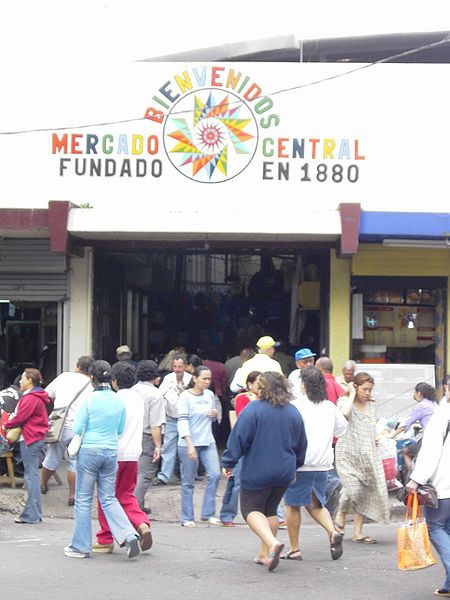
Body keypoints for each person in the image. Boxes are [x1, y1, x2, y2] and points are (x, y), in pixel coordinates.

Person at [222, 372, 307, 572]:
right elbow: (302, 443)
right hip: (285, 470)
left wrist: (229, 461)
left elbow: (239, 438)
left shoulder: (254, 410)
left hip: (259, 469)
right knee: (270, 509)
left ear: (263, 388)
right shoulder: (293, 411)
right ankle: (263, 554)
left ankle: (272, 543)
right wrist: (296, 465)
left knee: (250, 509)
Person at [64, 360, 141, 560]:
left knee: (83, 499)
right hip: (110, 452)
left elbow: (77, 428)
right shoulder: (118, 400)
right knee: (108, 498)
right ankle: (129, 534)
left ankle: (80, 546)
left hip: (90, 452)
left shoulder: (89, 400)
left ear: (92, 378)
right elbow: (120, 429)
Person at [282, 366, 348, 561]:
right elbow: (342, 431)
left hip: (300, 464)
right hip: (323, 464)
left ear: (302, 385)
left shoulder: (295, 406)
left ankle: (294, 549)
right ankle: (333, 531)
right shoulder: (330, 407)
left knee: (293, 506)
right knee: (316, 504)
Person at [93, 361, 152, 554]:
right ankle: (141, 522)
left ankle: (105, 537)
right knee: (126, 494)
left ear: (114, 380)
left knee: (105, 496)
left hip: (114, 453)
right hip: (134, 454)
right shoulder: (138, 399)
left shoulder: (115, 399)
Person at [334, 372, 390, 543]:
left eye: (370, 390)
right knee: (353, 488)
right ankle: (341, 513)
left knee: (365, 491)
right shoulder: (345, 401)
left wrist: (376, 436)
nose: (368, 393)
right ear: (355, 387)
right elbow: (344, 414)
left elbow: (371, 426)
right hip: (348, 453)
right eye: (364, 389)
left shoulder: (371, 405)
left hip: (368, 453)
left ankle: (358, 532)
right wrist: (351, 394)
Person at [406, 402, 450, 598]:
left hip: (444, 484)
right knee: (446, 529)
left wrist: (416, 479)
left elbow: (430, 451)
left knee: (435, 527)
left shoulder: (442, 415)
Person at [40, 356, 94, 505]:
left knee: (52, 457)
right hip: (79, 428)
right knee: (75, 463)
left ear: (77, 366)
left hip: (60, 425)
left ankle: (43, 484)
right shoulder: (92, 385)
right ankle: (72, 496)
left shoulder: (64, 377)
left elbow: (47, 395)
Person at [3, 368, 51, 524]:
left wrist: (6, 425)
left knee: (31, 477)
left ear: (30, 380)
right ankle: (33, 512)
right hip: (35, 438)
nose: (20, 381)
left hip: (30, 439)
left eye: (23, 379)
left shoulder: (30, 397)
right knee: (32, 476)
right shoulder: (37, 396)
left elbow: (20, 417)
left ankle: (32, 514)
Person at [177, 365, 221, 526]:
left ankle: (208, 513)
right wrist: (189, 445)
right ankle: (187, 517)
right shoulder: (185, 397)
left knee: (215, 474)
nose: (207, 382)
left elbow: (214, 416)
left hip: (207, 440)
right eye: (204, 378)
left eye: (209, 379)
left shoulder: (209, 395)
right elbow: (182, 421)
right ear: (194, 378)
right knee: (188, 482)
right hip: (188, 442)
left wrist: (214, 415)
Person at [219, 370, 261, 527]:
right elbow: (244, 419)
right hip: (245, 445)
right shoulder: (242, 398)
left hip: (259, 445)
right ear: (250, 384)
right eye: (258, 383)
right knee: (236, 481)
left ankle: (274, 513)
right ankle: (227, 514)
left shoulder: (264, 400)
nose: (261, 387)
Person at [153, 353, 192, 486]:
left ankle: (187, 475)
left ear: (185, 366)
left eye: (180, 366)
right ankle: (164, 476)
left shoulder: (191, 379)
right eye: (175, 366)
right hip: (171, 418)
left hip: (186, 419)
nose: (177, 369)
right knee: (168, 447)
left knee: (186, 448)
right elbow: (160, 396)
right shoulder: (168, 379)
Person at [133, 360, 165, 512]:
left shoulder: (132, 390)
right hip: (146, 436)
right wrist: (158, 446)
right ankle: (136, 506)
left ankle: (137, 503)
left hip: (130, 434)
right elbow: (155, 425)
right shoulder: (155, 394)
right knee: (145, 474)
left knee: (133, 471)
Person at [389, 381, 438, 474]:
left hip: (429, 438)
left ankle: (413, 475)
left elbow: (406, 424)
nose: (413, 395)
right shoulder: (434, 404)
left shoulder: (422, 405)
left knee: (406, 451)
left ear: (419, 393)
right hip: (438, 437)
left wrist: (390, 436)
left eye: (414, 392)